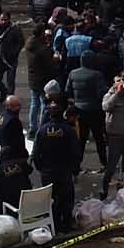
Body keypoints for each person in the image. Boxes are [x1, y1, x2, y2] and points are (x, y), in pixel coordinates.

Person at [32, 92, 82, 231]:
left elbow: (36, 153)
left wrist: (42, 168)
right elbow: (76, 152)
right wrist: (75, 170)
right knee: (66, 199)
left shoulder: (42, 131)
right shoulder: (68, 131)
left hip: (48, 172)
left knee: (51, 199)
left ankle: (54, 224)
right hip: (64, 171)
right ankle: (66, 225)